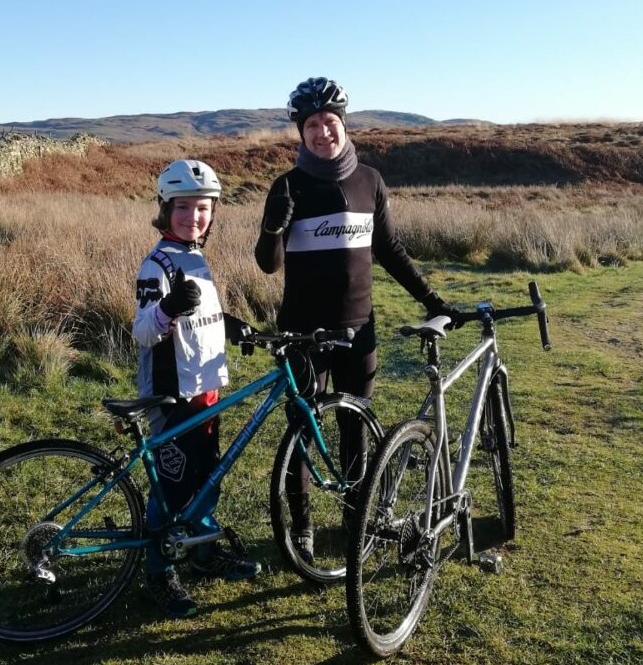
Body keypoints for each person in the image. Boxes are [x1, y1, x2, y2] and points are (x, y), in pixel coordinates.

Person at [255, 77, 462, 561]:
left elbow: (389, 250)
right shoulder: (288, 185)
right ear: (300, 133)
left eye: (329, 122)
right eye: (312, 125)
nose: (322, 132)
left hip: (358, 330)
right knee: (303, 432)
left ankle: (354, 518)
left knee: (355, 428)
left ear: (343, 124)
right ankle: (302, 528)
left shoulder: (369, 181)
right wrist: (272, 226)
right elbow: (268, 263)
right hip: (303, 334)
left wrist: (432, 300)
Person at [132, 158, 259, 619]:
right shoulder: (157, 263)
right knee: (170, 487)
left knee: (208, 474)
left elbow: (200, 315)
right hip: (173, 395)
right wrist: (166, 307)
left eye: (202, 208)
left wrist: (231, 325)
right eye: (183, 207)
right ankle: (158, 570)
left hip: (206, 389)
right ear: (165, 209)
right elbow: (144, 331)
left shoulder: (196, 257)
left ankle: (204, 550)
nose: (194, 217)